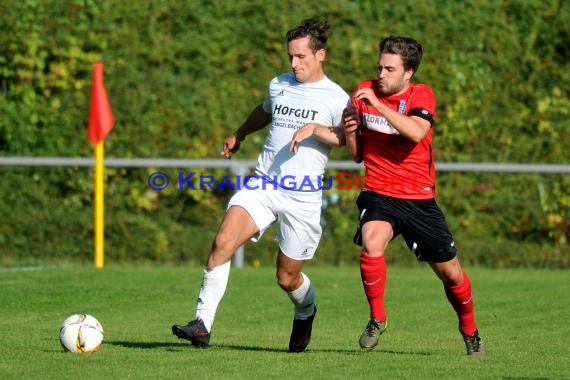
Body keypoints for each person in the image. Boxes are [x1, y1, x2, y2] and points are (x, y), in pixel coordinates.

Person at [172, 18, 349, 352]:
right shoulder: (279, 84)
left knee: (287, 278)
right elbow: (265, 111)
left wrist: (316, 129)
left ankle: (306, 309)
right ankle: (202, 324)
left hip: (303, 195)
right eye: (290, 57)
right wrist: (239, 133)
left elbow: (351, 143)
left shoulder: (338, 98)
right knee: (223, 241)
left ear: (321, 55)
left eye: (301, 57)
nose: (294, 63)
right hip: (264, 183)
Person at [342, 35, 485, 356]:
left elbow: (417, 132)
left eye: (390, 69)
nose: (381, 74)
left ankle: (470, 331)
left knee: (451, 274)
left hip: (419, 199)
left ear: (408, 73)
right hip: (379, 191)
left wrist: (378, 106)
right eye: (380, 67)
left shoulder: (422, 94)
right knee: (372, 242)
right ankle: (377, 318)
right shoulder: (364, 91)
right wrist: (351, 131)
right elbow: (355, 155)